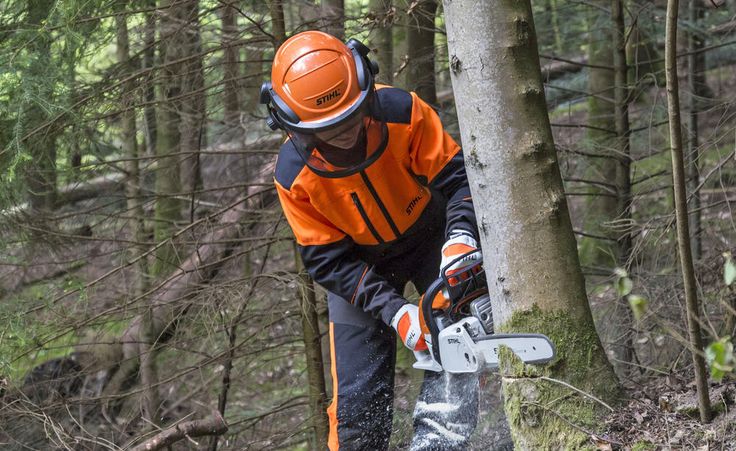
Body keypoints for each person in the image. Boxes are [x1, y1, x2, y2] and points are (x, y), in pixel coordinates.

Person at [261, 30, 481, 450]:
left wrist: (460, 237)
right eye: (330, 126)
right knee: (356, 408)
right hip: (358, 267)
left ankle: (438, 440)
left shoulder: (401, 112)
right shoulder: (293, 176)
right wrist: (396, 312)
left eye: (351, 115)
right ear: (294, 123)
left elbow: (460, 180)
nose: (345, 131)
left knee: (458, 338)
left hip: (432, 233)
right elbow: (326, 260)